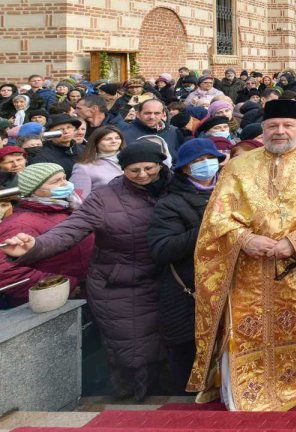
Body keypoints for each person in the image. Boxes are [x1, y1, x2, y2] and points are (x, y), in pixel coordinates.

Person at [188, 100, 296, 411]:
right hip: (246, 267)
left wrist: (295, 242)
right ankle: (244, 391)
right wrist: (244, 239)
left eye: (288, 125)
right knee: (244, 332)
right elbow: (217, 217)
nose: (280, 131)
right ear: (262, 129)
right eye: (273, 126)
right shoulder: (237, 166)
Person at [3, 140, 171, 400]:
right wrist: (35, 246)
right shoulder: (104, 197)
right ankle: (133, 409)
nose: (142, 175)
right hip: (120, 287)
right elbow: (69, 231)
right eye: (133, 170)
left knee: (169, 349)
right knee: (134, 355)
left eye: (149, 168)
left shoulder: (172, 188)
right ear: (121, 170)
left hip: (168, 282)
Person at [146, 138, 224, 393]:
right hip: (188, 293)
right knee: (188, 354)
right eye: (197, 162)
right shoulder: (170, 203)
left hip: (229, 288)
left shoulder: (231, 194)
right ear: (184, 169)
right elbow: (162, 249)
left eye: (209, 159)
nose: (205, 165)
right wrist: (205, 230)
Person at [0, 161, 93, 307]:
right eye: (56, 181)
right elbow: (6, 272)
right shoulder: (18, 225)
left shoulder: (70, 207)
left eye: (64, 178)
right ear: (34, 190)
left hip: (85, 291)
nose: (65, 184)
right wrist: (62, 284)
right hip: (53, 301)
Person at [71, 125, 126, 198]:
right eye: (108, 139)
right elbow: (78, 200)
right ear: (96, 142)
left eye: (117, 138)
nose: (114, 141)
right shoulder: (83, 168)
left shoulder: (131, 160)